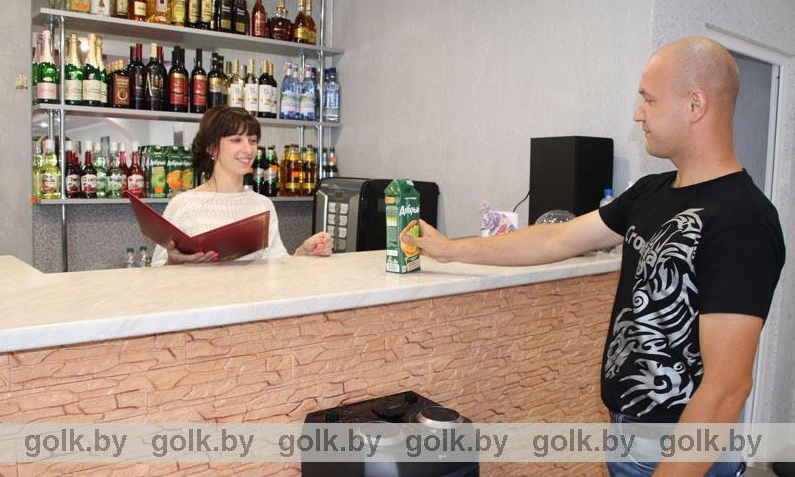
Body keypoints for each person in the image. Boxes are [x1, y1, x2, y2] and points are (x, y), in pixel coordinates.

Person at [405, 36, 785, 476]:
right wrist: (451, 250)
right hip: (628, 434)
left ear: (695, 105)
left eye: (649, 99)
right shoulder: (651, 192)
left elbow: (726, 389)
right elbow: (555, 239)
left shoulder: (743, 219)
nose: (638, 113)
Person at [151, 106, 332, 266]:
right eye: (236, 140)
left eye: (252, 141)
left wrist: (303, 252)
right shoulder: (183, 204)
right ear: (212, 148)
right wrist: (172, 262)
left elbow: (275, 264)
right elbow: (156, 270)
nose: (248, 149)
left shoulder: (262, 205)